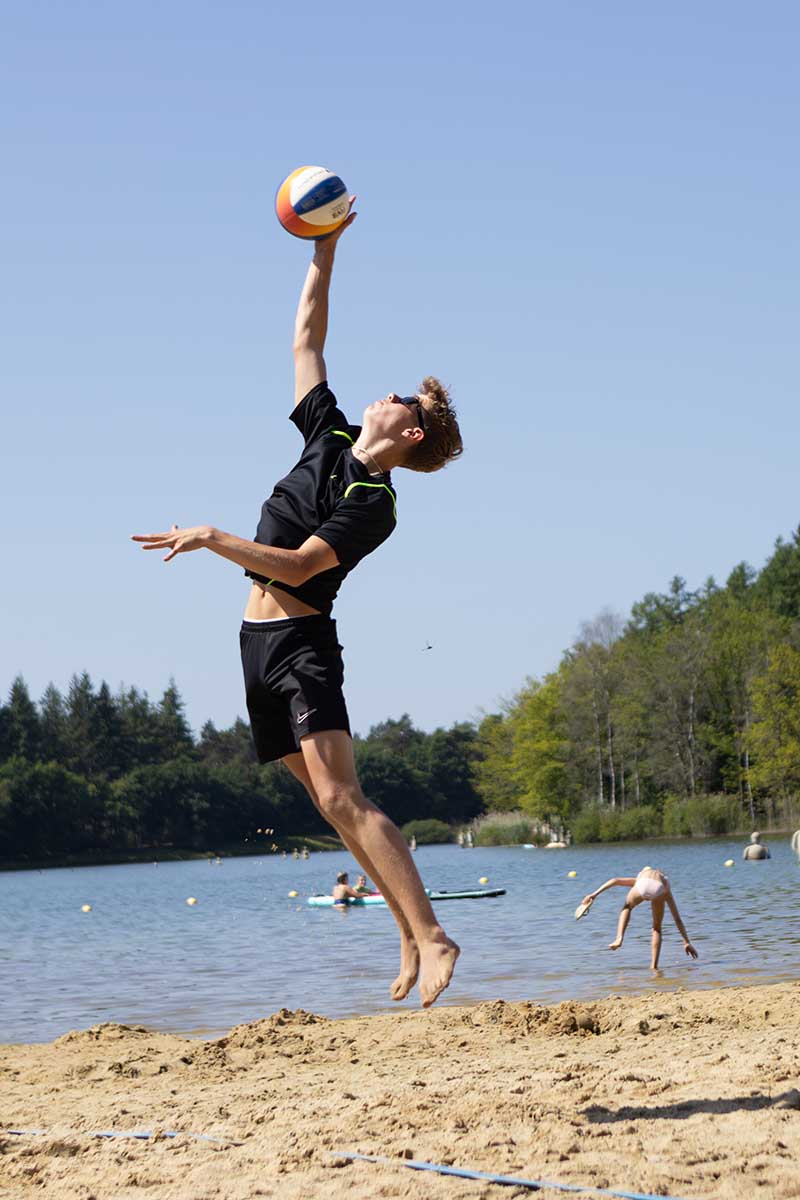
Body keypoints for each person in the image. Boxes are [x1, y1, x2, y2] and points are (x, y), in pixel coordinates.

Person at [133, 202, 462, 1008]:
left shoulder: (375, 501)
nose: (384, 394)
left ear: (411, 434)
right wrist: (324, 249)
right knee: (326, 804)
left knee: (346, 795)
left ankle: (436, 934)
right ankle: (404, 930)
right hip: (255, 644)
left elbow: (302, 565)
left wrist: (212, 536)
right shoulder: (328, 435)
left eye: (400, 400)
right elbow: (306, 338)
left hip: (303, 646)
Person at [580, 866, 698, 969]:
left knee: (627, 907)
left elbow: (614, 880)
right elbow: (677, 919)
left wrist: (594, 894)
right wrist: (686, 941)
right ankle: (654, 966)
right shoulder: (664, 881)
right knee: (657, 928)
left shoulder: (641, 877)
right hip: (659, 889)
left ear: (640, 872)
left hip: (642, 885)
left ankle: (619, 938)